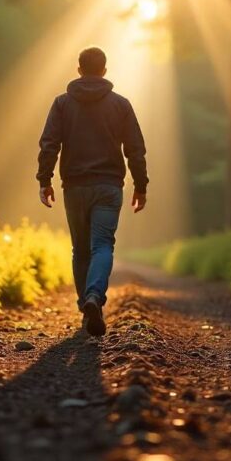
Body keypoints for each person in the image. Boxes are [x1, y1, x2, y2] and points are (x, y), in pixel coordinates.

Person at [36, 46, 149, 337]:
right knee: (103, 246)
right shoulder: (120, 104)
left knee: (81, 250)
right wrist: (141, 185)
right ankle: (94, 297)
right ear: (105, 71)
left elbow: (50, 144)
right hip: (109, 186)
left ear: (78, 70)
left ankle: (86, 307)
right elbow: (135, 149)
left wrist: (44, 179)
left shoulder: (62, 104)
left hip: (74, 186)